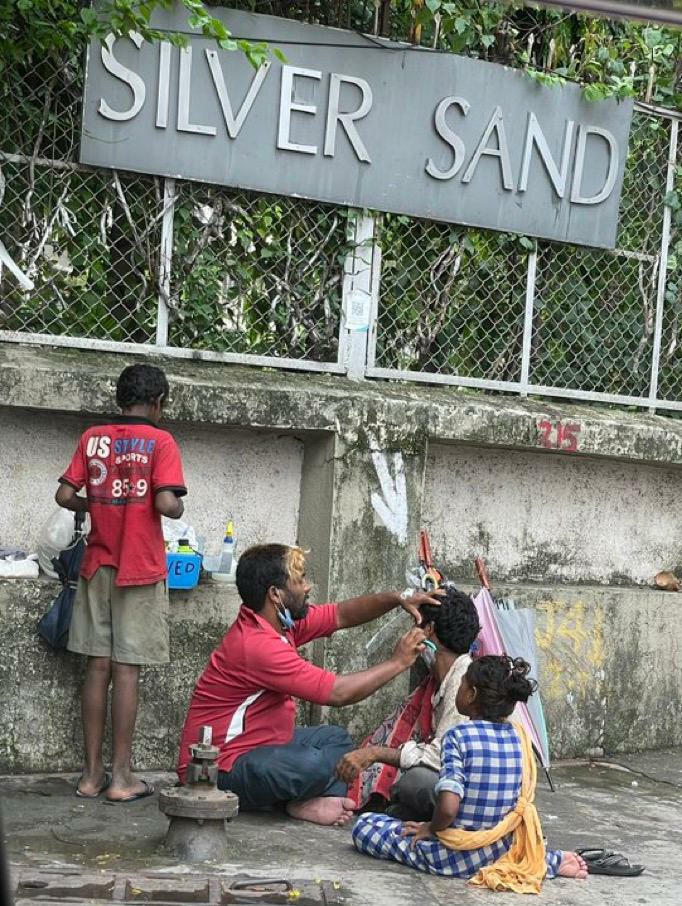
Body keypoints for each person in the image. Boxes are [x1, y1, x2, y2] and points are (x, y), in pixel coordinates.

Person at [177, 543, 442, 826]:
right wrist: (398, 663)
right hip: (216, 768)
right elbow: (338, 693)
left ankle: (303, 800)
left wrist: (397, 598)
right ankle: (298, 801)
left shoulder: (277, 623)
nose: (308, 587)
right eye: (300, 580)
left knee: (335, 740)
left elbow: (340, 615)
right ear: (275, 595)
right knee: (311, 764)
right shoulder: (256, 645)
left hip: (264, 746)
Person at [56, 363, 186, 803]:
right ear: (158, 403)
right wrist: (172, 507)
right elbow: (168, 503)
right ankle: (122, 778)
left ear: (120, 399)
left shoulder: (93, 437)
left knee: (97, 667)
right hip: (140, 567)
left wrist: (96, 503)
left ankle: (90, 776)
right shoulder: (160, 441)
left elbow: (63, 495)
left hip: (97, 564)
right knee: (126, 670)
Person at [352, 656, 588, 890]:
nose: (459, 686)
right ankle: (548, 860)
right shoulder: (519, 736)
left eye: (463, 682)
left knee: (366, 826)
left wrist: (430, 828)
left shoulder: (459, 736)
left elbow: (447, 808)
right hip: (498, 845)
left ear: (471, 694)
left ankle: (485, 859)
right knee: (510, 849)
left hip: (455, 855)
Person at [337, 586, 480, 820]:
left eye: (416, 625)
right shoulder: (440, 678)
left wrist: (374, 753)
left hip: (468, 788)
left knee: (414, 782)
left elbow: (440, 757)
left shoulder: (462, 682)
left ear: (429, 631)